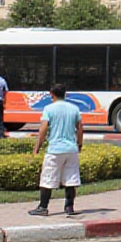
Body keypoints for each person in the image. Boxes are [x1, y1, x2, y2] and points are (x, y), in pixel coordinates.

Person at [28, 84, 83, 216]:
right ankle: (69, 207)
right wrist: (79, 144)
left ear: (52, 94)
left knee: (48, 178)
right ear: (65, 94)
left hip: (54, 149)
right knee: (71, 179)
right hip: (71, 149)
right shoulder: (74, 109)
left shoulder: (48, 109)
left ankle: (43, 207)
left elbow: (43, 129)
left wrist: (36, 148)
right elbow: (80, 128)